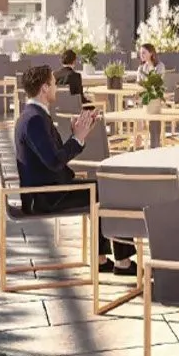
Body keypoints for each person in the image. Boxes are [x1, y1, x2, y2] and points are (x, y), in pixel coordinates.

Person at [12, 65, 135, 275]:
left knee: (101, 188)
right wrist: (77, 137)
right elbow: (54, 162)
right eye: (53, 83)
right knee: (108, 191)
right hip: (46, 197)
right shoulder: (34, 119)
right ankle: (122, 262)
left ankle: (101, 258)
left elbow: (53, 157)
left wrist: (76, 134)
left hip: (50, 190)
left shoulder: (33, 115)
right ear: (44, 88)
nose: (56, 88)